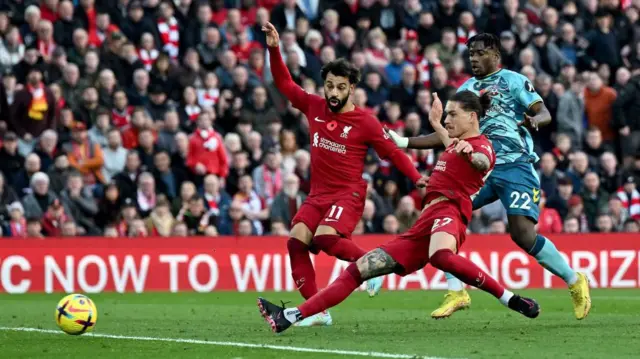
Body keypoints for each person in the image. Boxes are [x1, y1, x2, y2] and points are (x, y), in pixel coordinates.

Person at [257, 91, 540, 333]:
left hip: (450, 210)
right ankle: (290, 316)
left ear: (473, 117)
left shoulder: (482, 146)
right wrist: (433, 124)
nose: (448, 120)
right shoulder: (455, 143)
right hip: (422, 224)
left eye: (453, 114)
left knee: (441, 255)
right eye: (447, 114)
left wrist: (470, 154)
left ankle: (509, 298)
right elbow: (449, 142)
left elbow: (481, 162)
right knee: (358, 270)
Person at [385, 33, 591, 320]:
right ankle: (456, 291)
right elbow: (449, 132)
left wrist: (534, 120)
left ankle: (574, 279)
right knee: (442, 214)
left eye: (479, 53)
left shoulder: (514, 81)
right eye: (469, 54)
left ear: (495, 54)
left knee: (522, 234)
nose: (473, 58)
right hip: (478, 170)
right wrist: (406, 142)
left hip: (516, 165)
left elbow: (543, 112)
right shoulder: (467, 89)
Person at [262, 22, 427, 327]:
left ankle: (373, 266)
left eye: (340, 87)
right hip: (318, 194)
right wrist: (274, 47)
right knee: (296, 242)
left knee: (325, 237)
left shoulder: (366, 122)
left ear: (352, 87)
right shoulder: (314, 106)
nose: (333, 93)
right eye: (329, 86)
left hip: (348, 194)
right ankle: (318, 312)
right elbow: (284, 84)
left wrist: (416, 177)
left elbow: (392, 152)